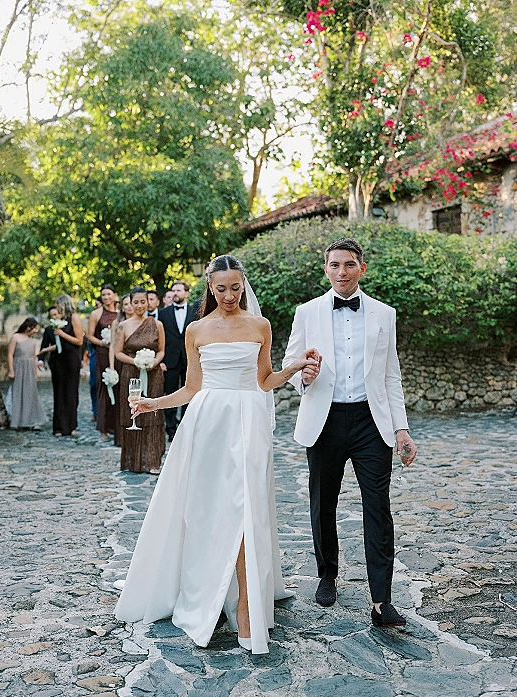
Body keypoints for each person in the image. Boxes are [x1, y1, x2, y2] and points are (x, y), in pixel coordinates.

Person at [115, 255, 319, 654]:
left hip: (248, 421)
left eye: (236, 288)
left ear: (244, 286)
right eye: (221, 288)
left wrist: (294, 367)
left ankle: (246, 604)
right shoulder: (196, 330)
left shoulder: (260, 326)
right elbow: (192, 388)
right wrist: (154, 404)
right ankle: (208, 592)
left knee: (246, 507)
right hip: (207, 422)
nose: (229, 295)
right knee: (209, 509)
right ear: (210, 287)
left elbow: (264, 381)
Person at [283, 237, 417, 628]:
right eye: (335, 265)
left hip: (371, 422)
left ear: (362, 268)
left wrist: (401, 429)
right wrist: (303, 377)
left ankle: (382, 601)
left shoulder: (384, 314)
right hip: (324, 421)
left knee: (378, 507)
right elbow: (291, 366)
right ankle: (327, 573)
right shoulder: (307, 312)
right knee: (323, 502)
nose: (342, 272)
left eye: (349, 264)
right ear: (326, 269)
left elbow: (391, 375)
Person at [114, 287, 166, 474]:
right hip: (131, 373)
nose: (139, 305)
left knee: (153, 414)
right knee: (133, 412)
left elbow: (162, 350)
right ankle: (134, 462)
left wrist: (154, 362)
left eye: (143, 302)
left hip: (153, 374)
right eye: (135, 302)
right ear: (130, 303)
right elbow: (118, 352)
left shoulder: (157, 324)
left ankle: (152, 461)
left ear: (148, 302)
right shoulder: (123, 326)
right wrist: (135, 362)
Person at [158, 281, 198, 441]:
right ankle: (171, 428)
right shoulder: (163, 313)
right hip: (170, 359)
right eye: (173, 290)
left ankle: (185, 427)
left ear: (186, 293)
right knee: (171, 392)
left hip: (190, 359)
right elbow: (160, 338)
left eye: (179, 290)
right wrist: (161, 359)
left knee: (190, 393)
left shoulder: (195, 311)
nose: (175, 293)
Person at [50, 294, 84, 437]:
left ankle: (71, 426)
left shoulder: (74, 318)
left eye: (57, 305)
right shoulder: (59, 319)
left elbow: (79, 340)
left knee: (70, 392)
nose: (56, 307)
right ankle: (58, 427)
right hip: (59, 358)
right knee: (59, 392)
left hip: (71, 358)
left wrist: (62, 334)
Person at [87, 284, 118, 441]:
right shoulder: (96, 314)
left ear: (114, 295)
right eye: (103, 294)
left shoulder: (120, 312)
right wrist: (103, 343)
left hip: (119, 354)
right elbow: (89, 336)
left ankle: (116, 426)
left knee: (119, 390)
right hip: (102, 354)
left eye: (108, 294)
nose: (106, 297)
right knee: (104, 389)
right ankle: (103, 429)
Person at [7, 317, 47, 430]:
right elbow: (10, 354)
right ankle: (18, 421)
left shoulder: (33, 341)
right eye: (35, 328)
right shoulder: (15, 337)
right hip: (18, 366)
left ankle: (33, 420)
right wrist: (11, 370)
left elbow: (33, 357)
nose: (36, 331)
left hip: (29, 368)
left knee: (31, 394)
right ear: (28, 327)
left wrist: (35, 373)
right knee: (18, 393)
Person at [110, 293, 134, 447]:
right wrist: (112, 367)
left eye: (131, 303)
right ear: (122, 307)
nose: (129, 307)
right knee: (121, 400)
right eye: (126, 304)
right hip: (120, 362)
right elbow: (112, 346)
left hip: (136, 361)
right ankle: (121, 436)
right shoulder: (117, 323)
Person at [88, 297, 102, 421]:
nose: (96, 306)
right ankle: (95, 410)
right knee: (94, 383)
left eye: (97, 304)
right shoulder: (94, 315)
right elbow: (90, 336)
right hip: (96, 350)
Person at [37, 306, 60, 371]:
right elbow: (44, 344)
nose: (55, 316)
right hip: (55, 360)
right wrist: (40, 360)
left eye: (56, 314)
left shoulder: (69, 326)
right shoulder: (48, 329)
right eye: (52, 315)